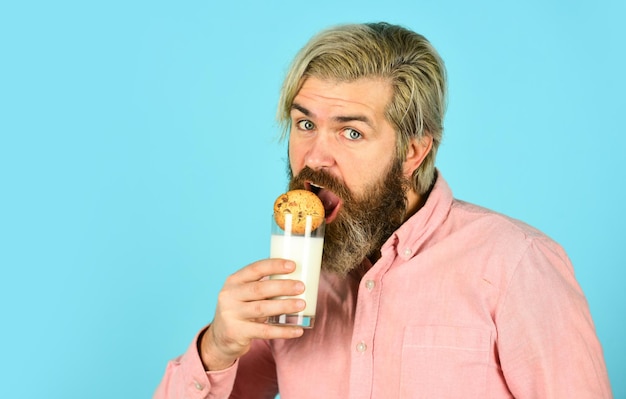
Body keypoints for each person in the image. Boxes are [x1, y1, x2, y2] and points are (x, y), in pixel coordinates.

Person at [154, 22, 612, 398]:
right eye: (305, 124)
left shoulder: (516, 265)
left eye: (350, 132)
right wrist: (215, 349)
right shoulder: (297, 280)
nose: (314, 157)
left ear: (413, 151)